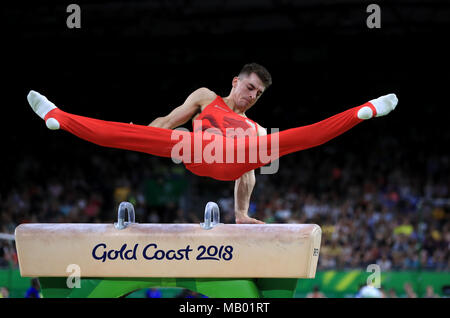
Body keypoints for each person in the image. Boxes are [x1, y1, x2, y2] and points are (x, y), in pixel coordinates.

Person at [26, 63, 398, 224]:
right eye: (250, 87)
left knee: (287, 139)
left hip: (233, 159)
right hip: (194, 150)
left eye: (259, 93)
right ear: (235, 81)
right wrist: (148, 137)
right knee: (137, 132)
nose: (253, 96)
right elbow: (168, 123)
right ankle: (60, 119)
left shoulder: (253, 126)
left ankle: (362, 110)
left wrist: (239, 213)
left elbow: (248, 174)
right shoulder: (205, 96)